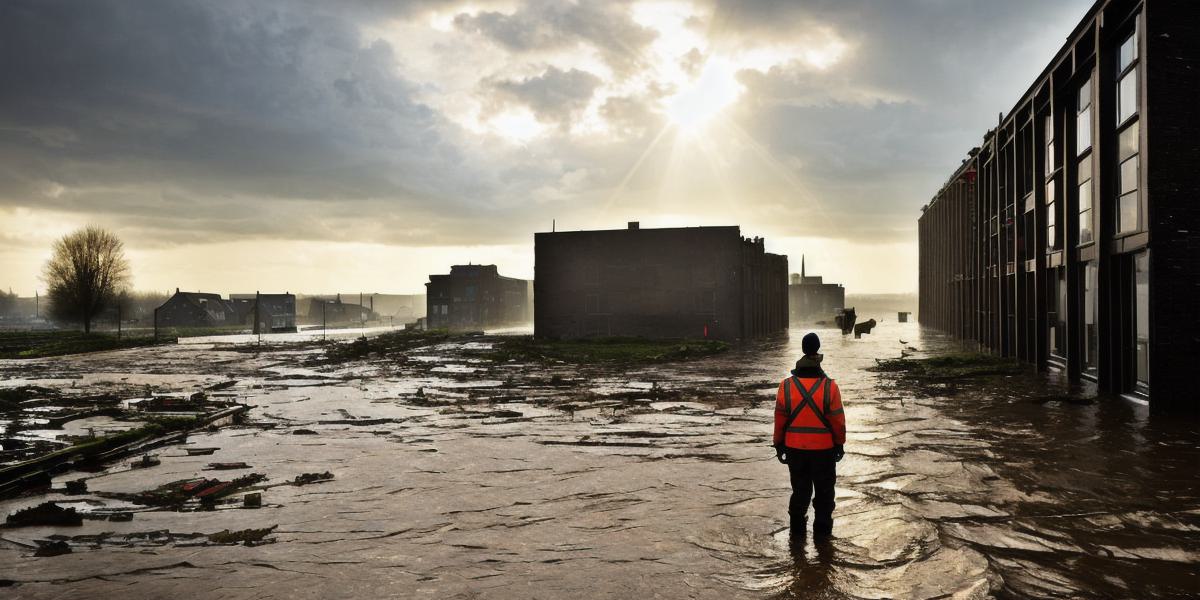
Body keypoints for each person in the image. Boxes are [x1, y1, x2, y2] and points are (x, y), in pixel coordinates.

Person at [773, 332, 846, 539]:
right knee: (824, 496)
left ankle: (796, 546)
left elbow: (780, 421)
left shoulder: (786, 386)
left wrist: (778, 445)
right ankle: (824, 549)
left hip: (795, 451)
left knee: (800, 494)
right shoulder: (830, 387)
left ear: (803, 351)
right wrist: (839, 445)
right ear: (817, 350)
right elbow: (838, 422)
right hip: (824, 452)